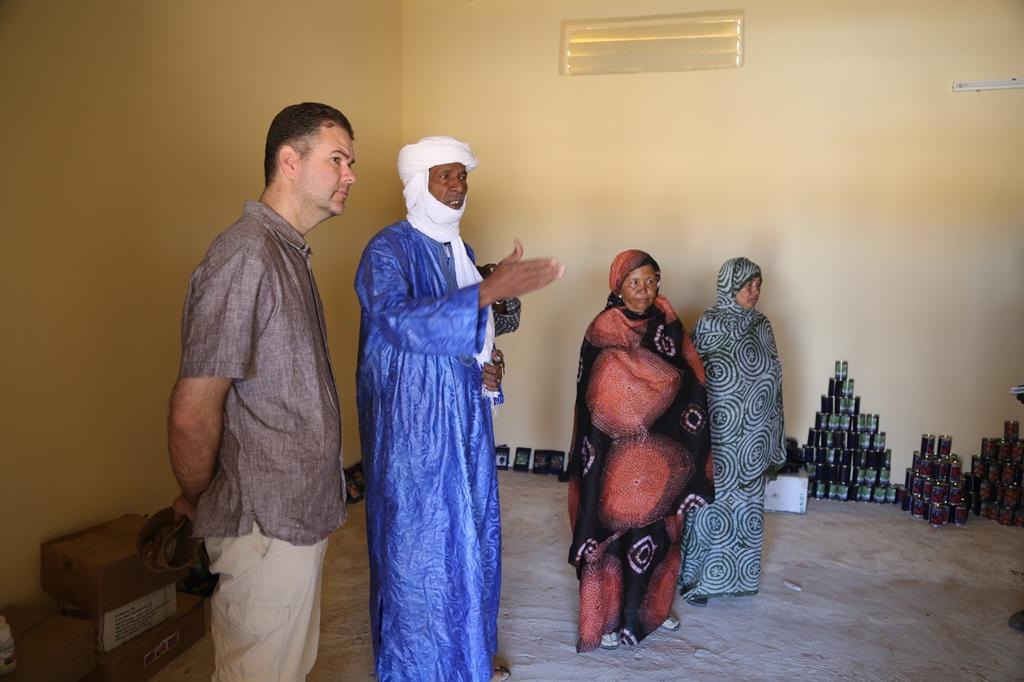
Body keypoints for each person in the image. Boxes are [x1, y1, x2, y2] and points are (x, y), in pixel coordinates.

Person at [355, 136, 564, 681]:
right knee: (419, 549)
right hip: (413, 432)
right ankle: (418, 667)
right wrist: (488, 291)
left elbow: (473, 343)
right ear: (416, 183)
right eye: (444, 176)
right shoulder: (388, 250)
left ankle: (469, 654)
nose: (457, 187)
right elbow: (397, 322)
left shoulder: (464, 253)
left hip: (466, 424)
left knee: (473, 538)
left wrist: (490, 373)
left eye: (462, 176)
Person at [167, 102, 355, 681]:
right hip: (262, 527)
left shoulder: (283, 252)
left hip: (291, 521)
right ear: (289, 161)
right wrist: (203, 497)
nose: (350, 175)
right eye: (338, 160)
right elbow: (192, 414)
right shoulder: (246, 256)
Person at [567, 250, 715, 653]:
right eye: (634, 282)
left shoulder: (669, 324)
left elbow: (691, 380)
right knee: (612, 540)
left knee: (657, 539)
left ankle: (651, 611)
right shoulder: (602, 329)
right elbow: (595, 397)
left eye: (650, 281)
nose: (643, 290)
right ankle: (609, 622)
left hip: (659, 461)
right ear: (618, 286)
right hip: (613, 459)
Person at [680, 257, 786, 607]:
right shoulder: (709, 324)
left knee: (747, 508)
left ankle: (738, 576)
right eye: (747, 285)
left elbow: (774, 375)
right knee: (712, 505)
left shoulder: (762, 325)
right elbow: (692, 380)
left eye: (758, 285)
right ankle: (699, 580)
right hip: (719, 436)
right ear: (729, 286)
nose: (755, 292)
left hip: (753, 438)